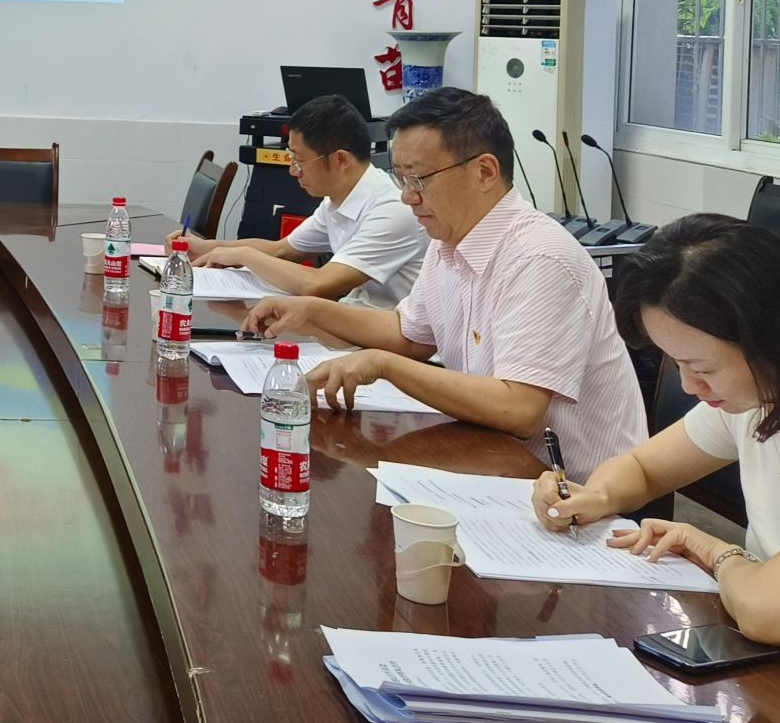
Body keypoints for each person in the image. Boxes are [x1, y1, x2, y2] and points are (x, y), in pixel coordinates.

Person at [534, 215, 780, 703]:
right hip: (777, 664)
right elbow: (643, 469)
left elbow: (770, 612)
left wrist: (716, 551)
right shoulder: (764, 394)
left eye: (702, 367)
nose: (689, 387)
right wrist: (593, 496)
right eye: (678, 364)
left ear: (779, 341)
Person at [243, 86, 645, 477]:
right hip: (489, 459)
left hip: (576, 492)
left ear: (484, 172)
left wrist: (383, 365)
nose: (407, 197)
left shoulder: (538, 259)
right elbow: (409, 333)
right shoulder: (449, 239)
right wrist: (309, 310)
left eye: (418, 179)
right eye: (401, 179)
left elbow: (519, 409)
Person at [178, 93, 425, 308]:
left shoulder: (392, 210)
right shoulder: (337, 200)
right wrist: (205, 247)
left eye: (299, 160)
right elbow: (282, 250)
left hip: (393, 334)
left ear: (340, 160)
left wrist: (243, 255)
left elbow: (318, 284)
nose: (293, 171)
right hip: (360, 317)